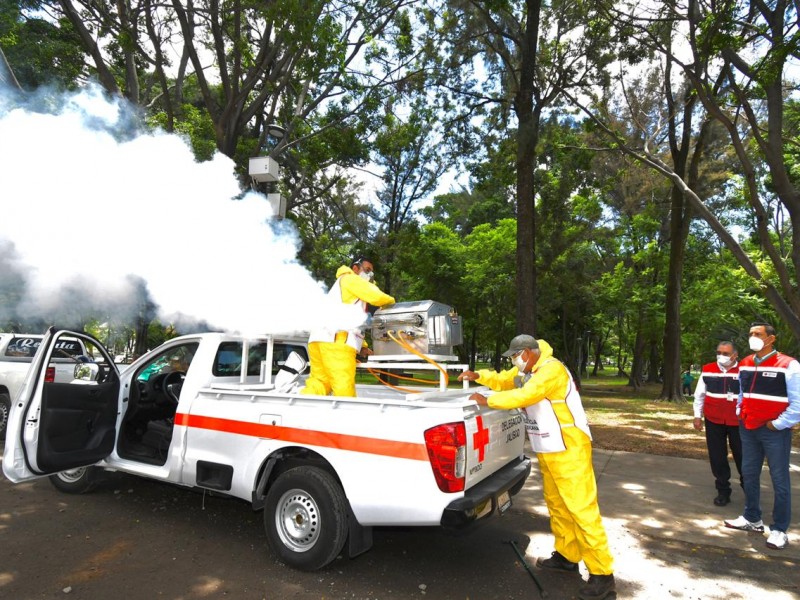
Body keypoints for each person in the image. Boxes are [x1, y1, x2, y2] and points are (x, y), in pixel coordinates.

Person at [458, 334, 615, 600]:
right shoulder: (529, 369)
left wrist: (488, 401)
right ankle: (567, 556)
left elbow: (525, 395)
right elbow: (507, 380)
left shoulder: (550, 369)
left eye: (516, 357)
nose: (515, 363)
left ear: (529, 353)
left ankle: (602, 575)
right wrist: (480, 376)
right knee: (557, 505)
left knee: (581, 510)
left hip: (569, 447)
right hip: (549, 448)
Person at [724, 322, 800, 550]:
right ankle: (752, 518)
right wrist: (740, 412)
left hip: (774, 432)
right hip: (748, 428)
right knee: (749, 473)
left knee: (779, 479)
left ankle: (779, 529)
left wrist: (778, 424)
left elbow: (797, 403)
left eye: (758, 334)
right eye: (750, 334)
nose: (752, 337)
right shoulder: (746, 363)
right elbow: (741, 393)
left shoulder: (789, 365)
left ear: (771, 339)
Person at [302, 257, 395, 397]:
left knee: (320, 382)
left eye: (372, 273)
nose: (370, 275)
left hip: (319, 339)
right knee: (343, 385)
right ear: (356, 268)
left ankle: (304, 405)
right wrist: (392, 302)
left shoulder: (342, 287)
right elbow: (377, 296)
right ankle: (346, 416)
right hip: (337, 342)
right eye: (367, 270)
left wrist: (362, 346)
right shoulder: (351, 279)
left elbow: (352, 320)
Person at [693, 341, 743, 506]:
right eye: (719, 352)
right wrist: (697, 416)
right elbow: (700, 395)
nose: (721, 356)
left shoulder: (744, 370)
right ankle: (723, 491)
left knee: (743, 457)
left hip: (738, 422)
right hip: (714, 420)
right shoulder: (708, 369)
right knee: (717, 456)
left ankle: (749, 489)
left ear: (735, 355)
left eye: (726, 353)